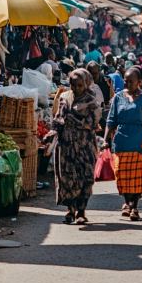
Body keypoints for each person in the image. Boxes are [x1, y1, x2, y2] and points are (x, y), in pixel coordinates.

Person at [103, 67, 142, 222]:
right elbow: (111, 120)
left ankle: (134, 207)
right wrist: (106, 139)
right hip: (120, 141)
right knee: (121, 173)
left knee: (136, 175)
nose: (127, 84)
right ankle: (126, 202)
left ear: (139, 82)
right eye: (125, 81)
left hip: (138, 141)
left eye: (130, 81)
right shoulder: (118, 97)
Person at [49, 69, 101, 224]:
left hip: (85, 146)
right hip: (66, 145)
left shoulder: (91, 101)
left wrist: (75, 120)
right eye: (73, 85)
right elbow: (58, 118)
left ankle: (81, 211)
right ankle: (70, 210)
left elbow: (93, 123)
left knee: (86, 177)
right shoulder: (64, 98)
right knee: (68, 177)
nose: (76, 88)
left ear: (85, 84)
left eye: (79, 85)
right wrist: (52, 132)